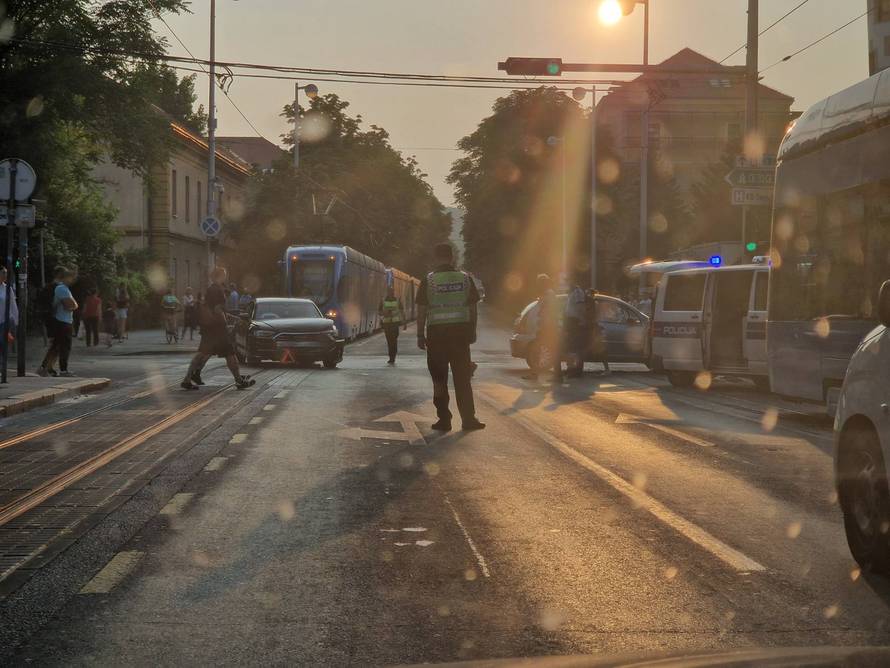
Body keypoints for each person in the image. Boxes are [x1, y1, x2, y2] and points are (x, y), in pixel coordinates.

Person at [416, 242, 485, 432]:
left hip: (437, 337)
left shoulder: (428, 281)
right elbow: (472, 309)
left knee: (439, 380)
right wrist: (473, 331)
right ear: (452, 257)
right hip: (460, 336)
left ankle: (444, 420)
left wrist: (420, 335)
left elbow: (421, 311)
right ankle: (468, 419)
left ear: (435, 258)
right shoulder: (464, 279)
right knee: (462, 379)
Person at [182, 267, 254, 391]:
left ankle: (187, 379)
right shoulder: (218, 290)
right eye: (224, 275)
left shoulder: (210, 289)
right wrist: (225, 323)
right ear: (220, 276)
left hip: (209, 328)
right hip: (218, 329)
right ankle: (239, 381)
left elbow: (210, 308)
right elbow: (217, 309)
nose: (225, 277)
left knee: (202, 353)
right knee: (230, 353)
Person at [38, 266, 77, 377]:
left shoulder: (54, 287)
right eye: (69, 276)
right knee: (64, 346)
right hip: (62, 320)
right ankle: (62, 370)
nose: (71, 279)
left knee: (56, 346)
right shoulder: (61, 288)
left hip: (56, 319)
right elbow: (71, 305)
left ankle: (46, 367)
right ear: (63, 276)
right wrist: (75, 304)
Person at [527, 273, 563, 383]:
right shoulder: (546, 294)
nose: (539, 285)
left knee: (550, 350)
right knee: (538, 349)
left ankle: (556, 376)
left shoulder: (549, 295)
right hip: (545, 326)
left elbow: (550, 311)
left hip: (548, 327)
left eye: (540, 283)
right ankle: (536, 373)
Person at [563, 279, 588, 378]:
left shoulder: (578, 292)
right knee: (570, 348)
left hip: (575, 323)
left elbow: (581, 307)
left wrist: (581, 320)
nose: (567, 284)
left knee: (575, 349)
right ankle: (570, 369)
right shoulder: (572, 292)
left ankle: (576, 371)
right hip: (570, 322)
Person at [378, 286, 407, 364]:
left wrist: (405, 323)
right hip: (387, 324)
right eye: (390, 291)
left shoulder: (397, 300)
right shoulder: (383, 300)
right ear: (387, 292)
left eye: (392, 291)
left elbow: (402, 311)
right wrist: (384, 313)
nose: (391, 293)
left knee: (393, 341)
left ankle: (393, 356)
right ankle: (391, 357)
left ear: (393, 292)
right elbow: (379, 312)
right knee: (389, 341)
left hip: (395, 324)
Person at [0, 267, 18, 367]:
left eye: (6, 273)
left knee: (2, 342)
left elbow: (13, 305)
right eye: (3, 273)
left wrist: (16, 320)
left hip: (3, 321)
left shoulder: (7, 288)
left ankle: (3, 365)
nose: (5, 275)